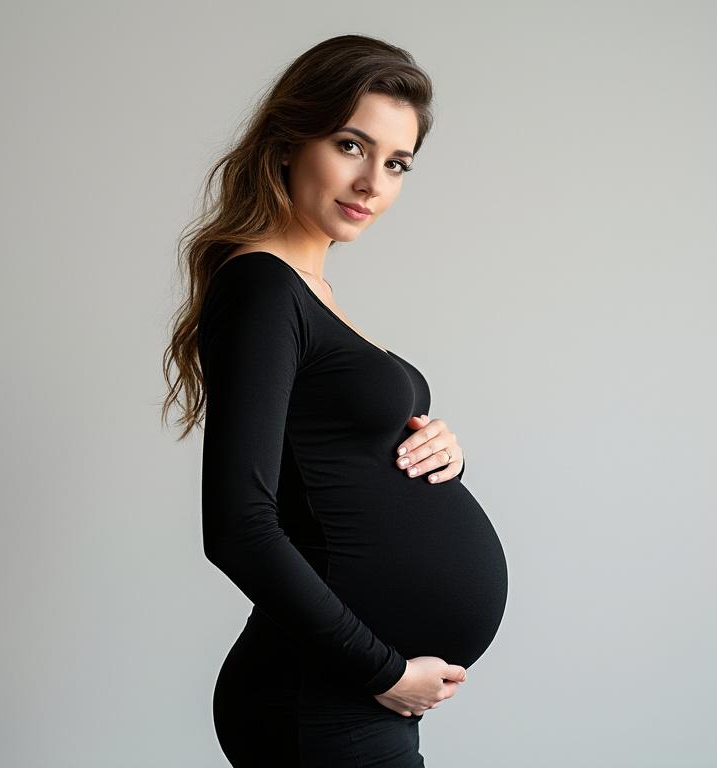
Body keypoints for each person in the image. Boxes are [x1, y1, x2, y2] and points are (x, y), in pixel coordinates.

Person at [161, 34, 508, 767]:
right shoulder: (261, 286)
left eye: (397, 163)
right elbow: (237, 527)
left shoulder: (310, 292)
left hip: (348, 697)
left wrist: (437, 454)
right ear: (290, 141)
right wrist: (381, 671)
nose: (373, 183)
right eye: (352, 145)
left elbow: (329, 462)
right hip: (324, 696)